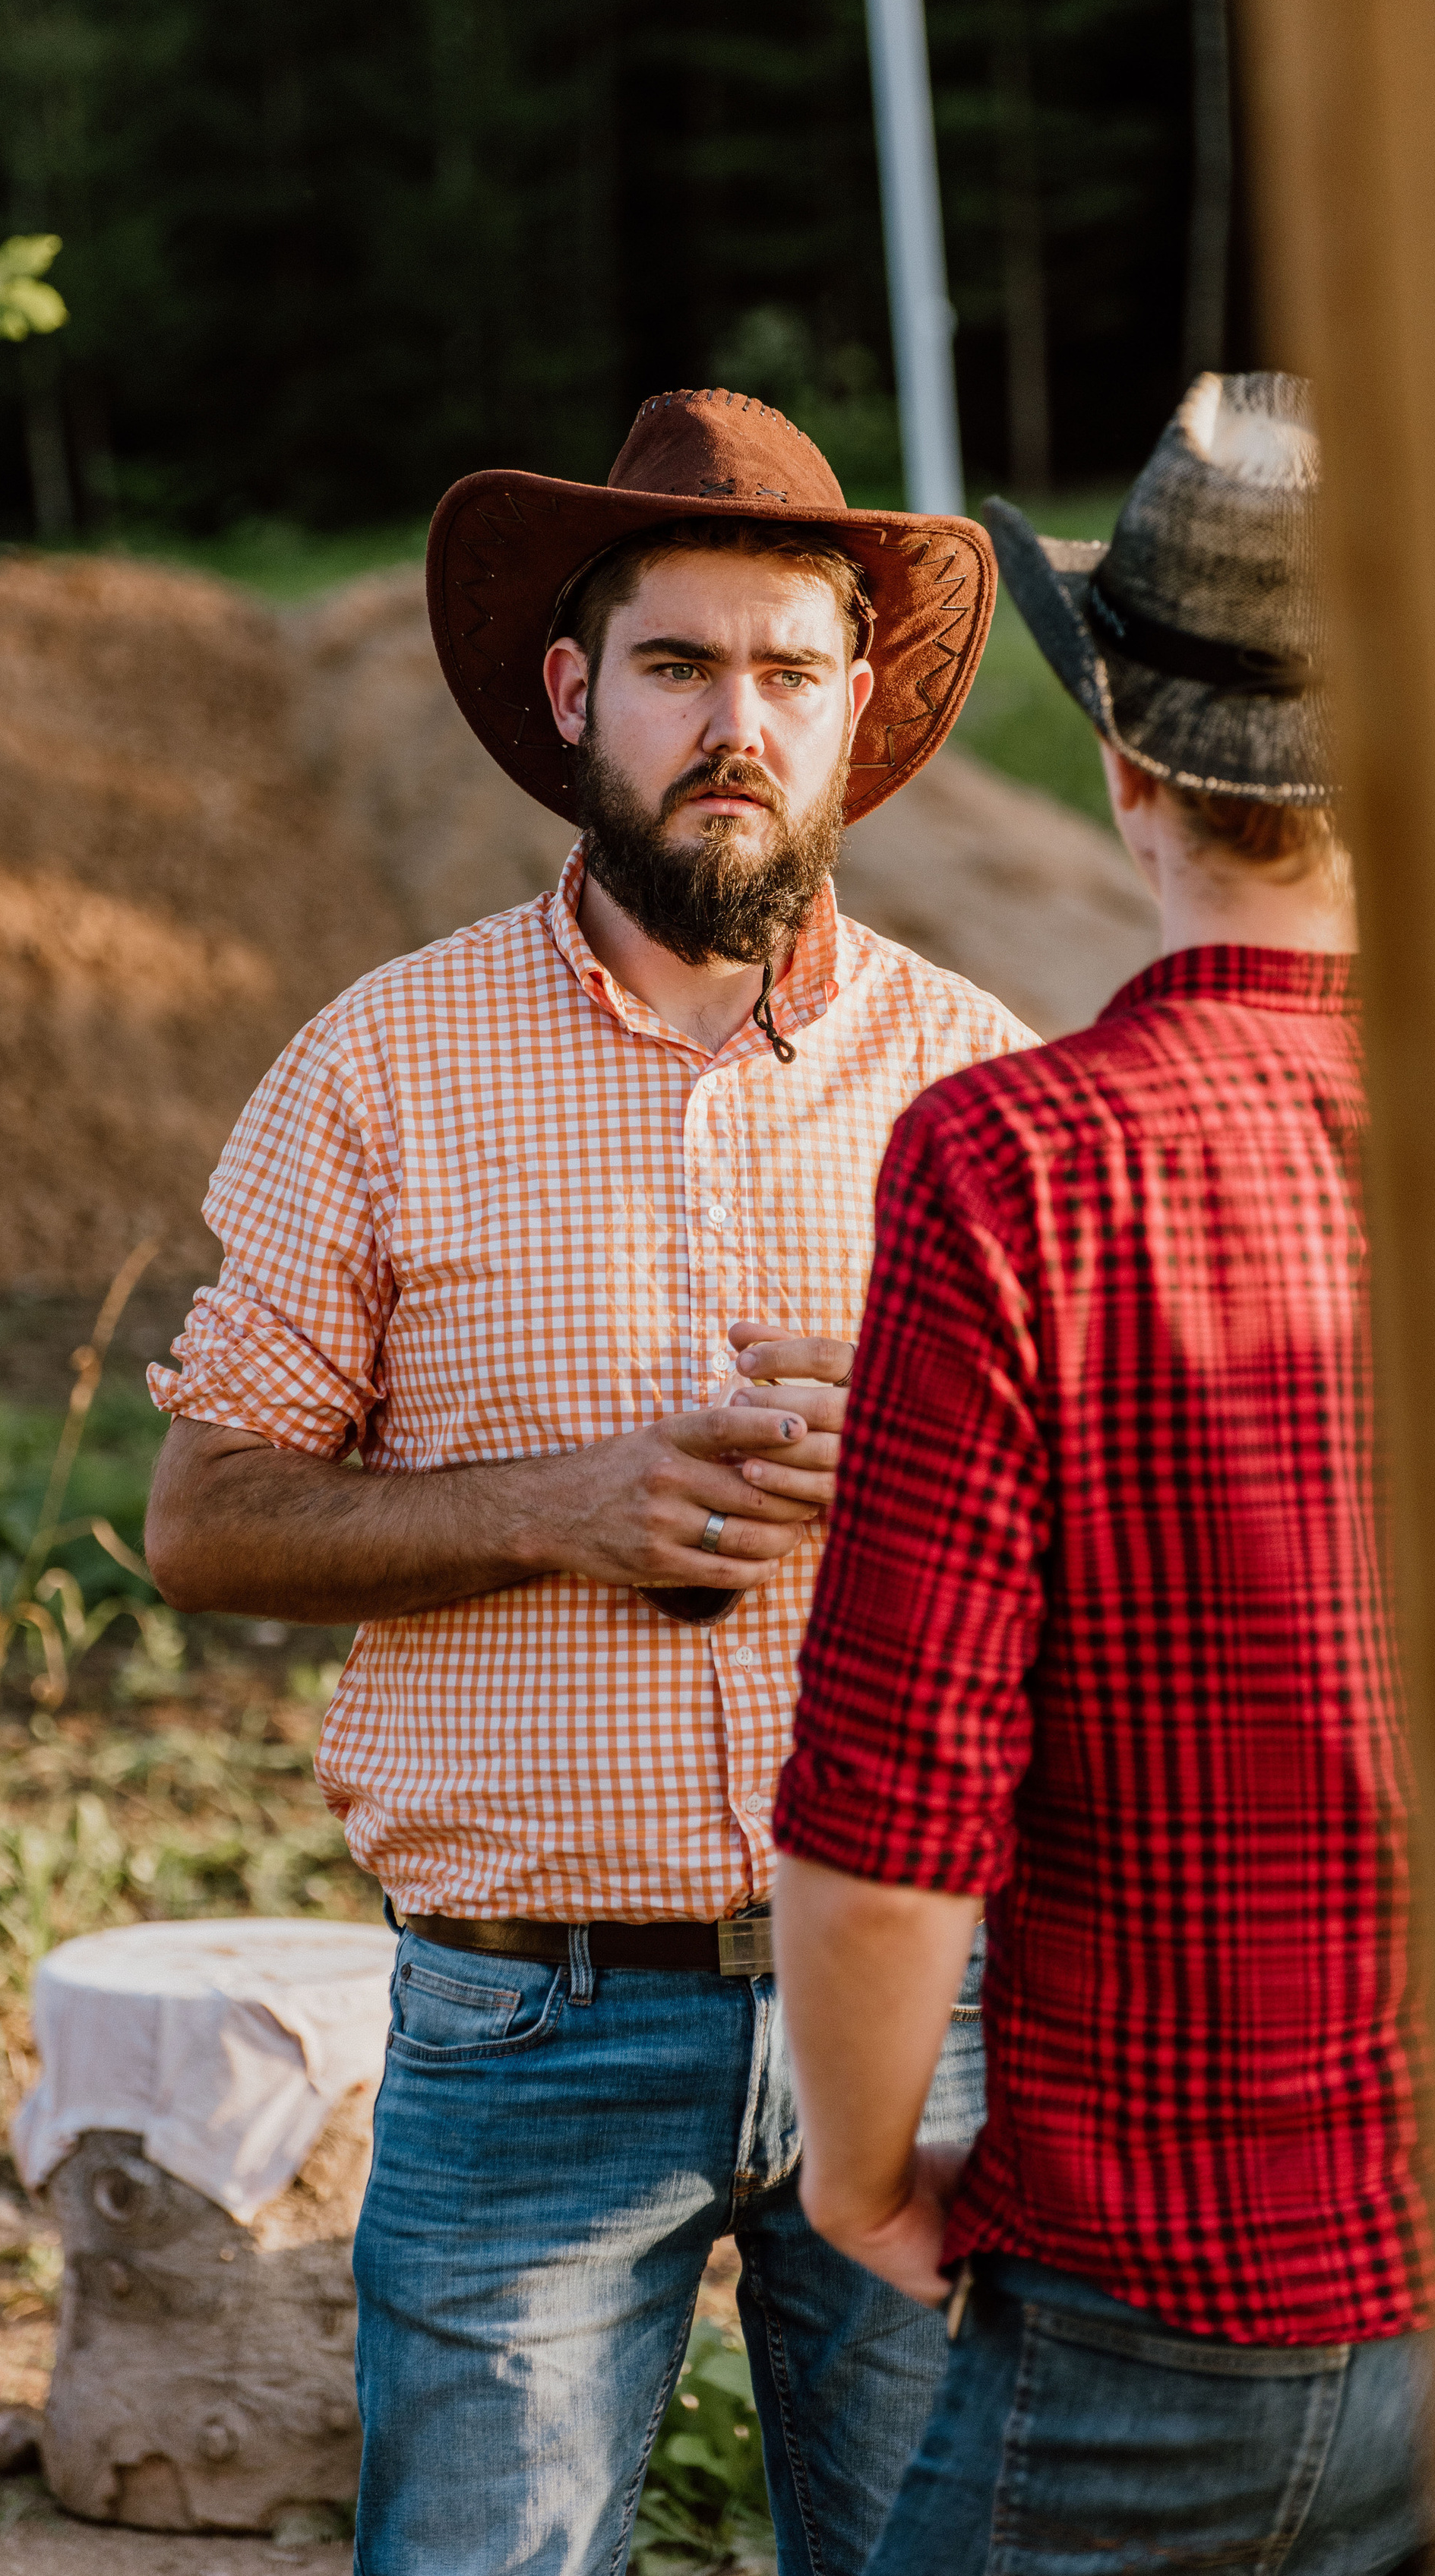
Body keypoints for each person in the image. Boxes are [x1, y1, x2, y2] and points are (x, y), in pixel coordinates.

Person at [144, 386, 1034, 2575]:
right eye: (678, 665)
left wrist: (938, 1468)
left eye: (787, 671)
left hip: (915, 1994)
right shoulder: (382, 1065)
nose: (737, 721)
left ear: (852, 713)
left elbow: (1120, 1551)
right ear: (576, 695)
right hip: (531, 2016)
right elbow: (201, 1515)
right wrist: (565, 1505)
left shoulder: (981, 1085)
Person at [772, 372, 1435, 2576]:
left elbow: (891, 1834)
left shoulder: (1011, 1169)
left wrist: (867, 2173)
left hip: (1150, 2303)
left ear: (1125, 759)